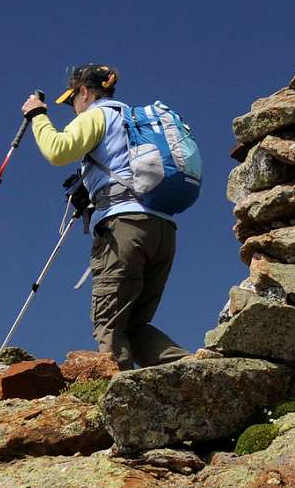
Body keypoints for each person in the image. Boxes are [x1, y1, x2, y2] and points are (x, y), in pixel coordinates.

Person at [22, 64, 189, 369]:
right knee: (135, 327)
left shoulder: (97, 114)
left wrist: (37, 116)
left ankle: (121, 404)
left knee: (109, 325)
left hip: (123, 229)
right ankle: (196, 372)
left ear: (84, 92)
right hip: (163, 229)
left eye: (72, 100)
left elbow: (57, 150)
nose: (73, 108)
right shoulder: (133, 120)